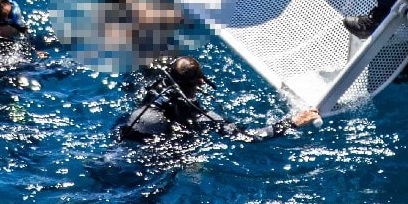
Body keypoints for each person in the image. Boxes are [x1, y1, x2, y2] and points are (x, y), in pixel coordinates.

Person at [115, 56, 319, 143]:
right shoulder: (202, 116)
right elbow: (250, 137)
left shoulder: (152, 88)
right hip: (158, 152)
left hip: (124, 134)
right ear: (201, 82)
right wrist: (293, 122)